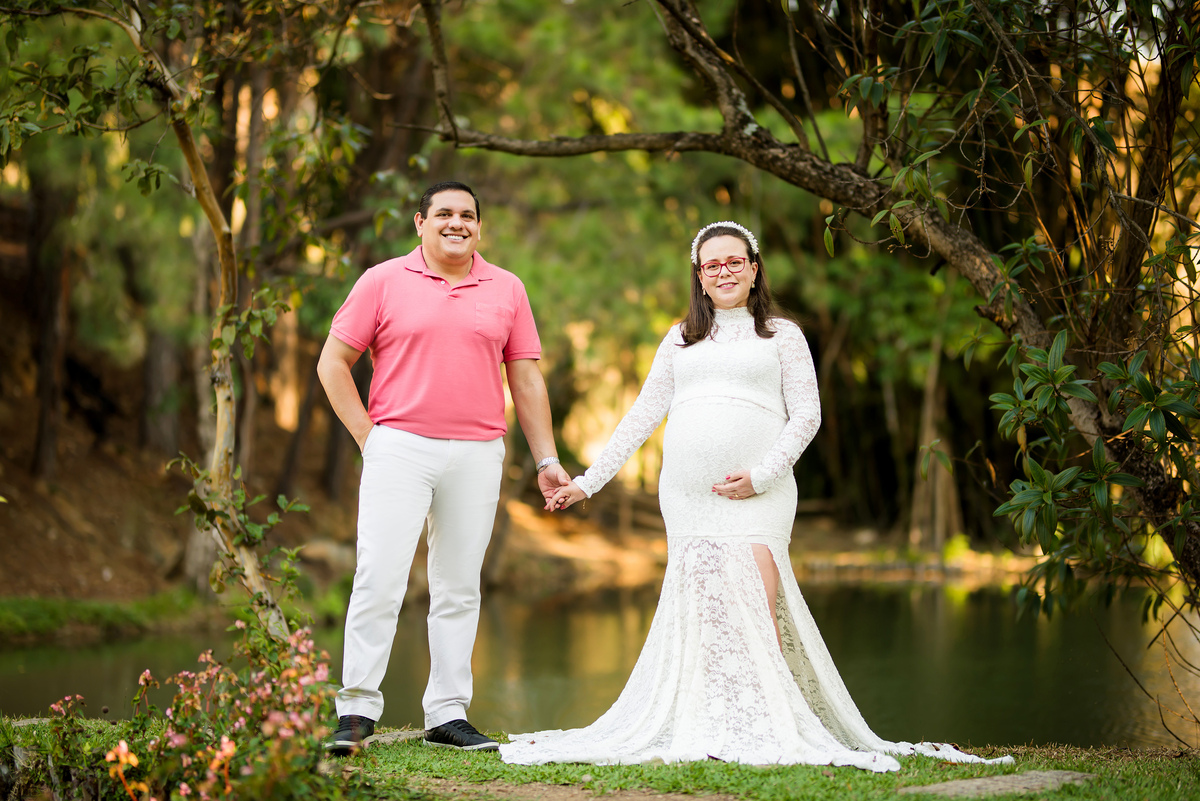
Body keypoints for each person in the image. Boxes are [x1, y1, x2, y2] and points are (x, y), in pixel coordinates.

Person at [500, 222, 1013, 771]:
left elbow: (808, 416)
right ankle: (718, 727)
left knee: (754, 599)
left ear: (754, 268)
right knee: (705, 609)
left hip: (759, 497)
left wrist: (762, 475)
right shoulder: (679, 339)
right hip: (687, 498)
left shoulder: (783, 336)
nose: (723, 272)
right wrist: (586, 483)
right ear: (699, 277)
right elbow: (641, 417)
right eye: (711, 265)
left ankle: (771, 727)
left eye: (733, 262)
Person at [318, 181, 570, 756]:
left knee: (458, 587)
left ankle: (447, 714)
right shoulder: (383, 280)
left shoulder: (507, 288)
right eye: (445, 214)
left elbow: (526, 378)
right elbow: (332, 362)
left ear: (479, 226)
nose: (457, 223)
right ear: (420, 222)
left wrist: (547, 458)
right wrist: (368, 437)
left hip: (479, 452)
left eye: (468, 215)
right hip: (398, 446)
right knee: (379, 576)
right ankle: (357, 708)